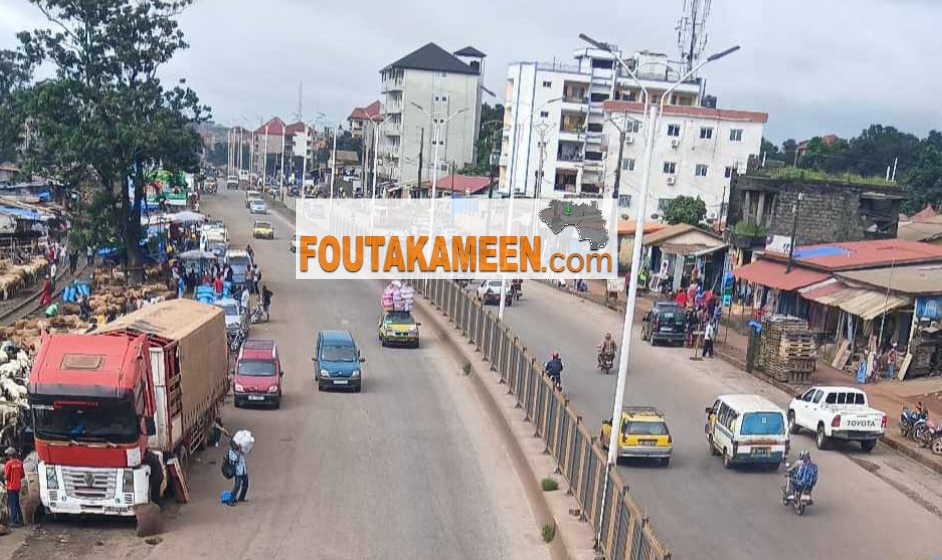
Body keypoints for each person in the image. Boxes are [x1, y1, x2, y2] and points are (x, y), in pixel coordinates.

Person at [3, 447, 24, 527]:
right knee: (17, 503)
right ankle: (21, 520)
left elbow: (7, 476)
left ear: (10, 455)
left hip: (11, 487)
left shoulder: (8, 464)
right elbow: (22, 475)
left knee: (12, 504)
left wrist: (3, 477)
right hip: (18, 486)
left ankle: (15, 522)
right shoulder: (20, 463)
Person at [226, 440, 248, 506]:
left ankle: (241, 497)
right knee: (237, 485)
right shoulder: (230, 453)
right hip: (238, 471)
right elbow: (236, 459)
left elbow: (247, 451)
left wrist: (244, 448)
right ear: (232, 446)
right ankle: (230, 500)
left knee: (246, 484)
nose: (236, 445)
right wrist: (239, 451)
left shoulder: (239, 450)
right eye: (235, 444)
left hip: (243, 469)